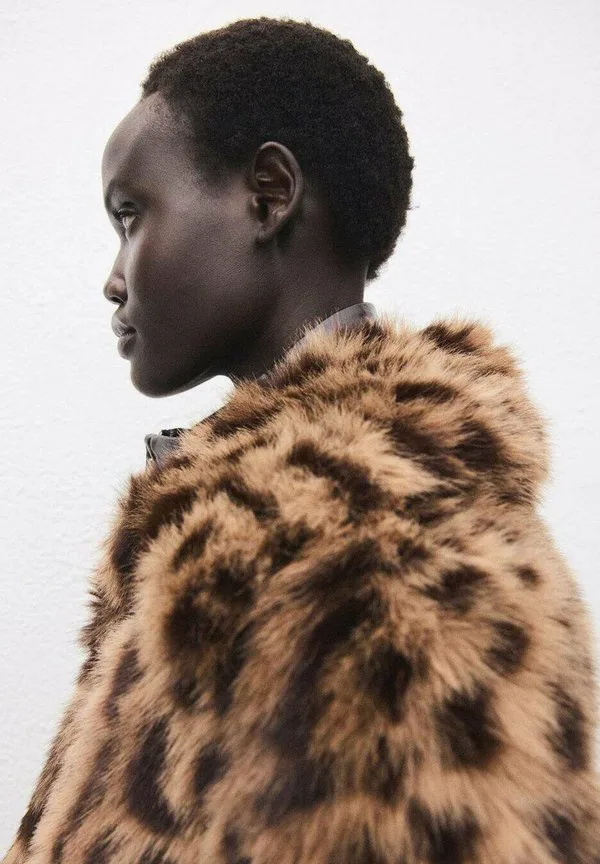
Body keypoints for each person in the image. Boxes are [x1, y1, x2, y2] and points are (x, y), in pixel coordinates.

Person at [4, 16, 599, 864]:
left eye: (131, 215)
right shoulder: (284, 528)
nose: (113, 278)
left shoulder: (371, 560)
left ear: (268, 195)